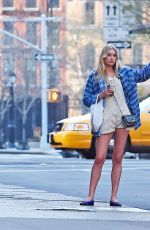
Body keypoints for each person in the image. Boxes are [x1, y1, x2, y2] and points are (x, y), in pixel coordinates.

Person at [80, 44, 150, 207]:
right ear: (103, 57)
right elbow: (86, 98)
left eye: (114, 55)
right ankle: (90, 196)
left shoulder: (125, 72)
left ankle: (114, 197)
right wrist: (100, 95)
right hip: (105, 118)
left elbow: (144, 75)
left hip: (123, 118)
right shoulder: (95, 76)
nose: (111, 57)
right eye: (109, 55)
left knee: (118, 157)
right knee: (100, 157)